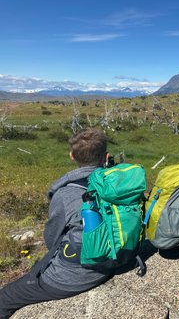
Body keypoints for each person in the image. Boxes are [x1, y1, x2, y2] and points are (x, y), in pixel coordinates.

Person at [0, 128, 114, 318]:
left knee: (4, 297)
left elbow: (52, 237)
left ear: (71, 156)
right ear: (106, 156)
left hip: (77, 274)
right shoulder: (121, 184)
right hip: (117, 259)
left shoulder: (66, 194)